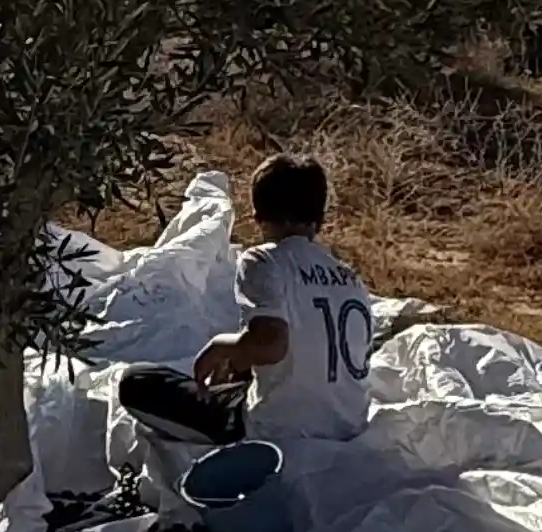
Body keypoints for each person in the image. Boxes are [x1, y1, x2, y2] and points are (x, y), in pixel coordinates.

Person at [119, 154, 374, 446]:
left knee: (136, 381)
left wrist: (219, 348)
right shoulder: (351, 278)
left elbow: (270, 344)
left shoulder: (264, 260)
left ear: (258, 217)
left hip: (279, 426)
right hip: (348, 423)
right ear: (320, 218)